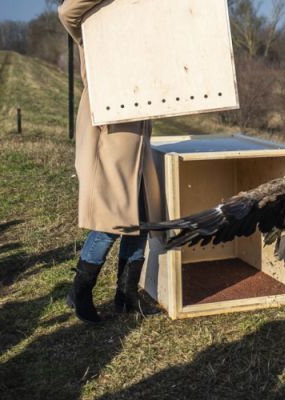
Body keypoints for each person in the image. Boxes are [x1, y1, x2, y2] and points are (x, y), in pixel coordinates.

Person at [58, 0, 164, 324]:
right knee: (110, 222)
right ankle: (79, 292)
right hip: (110, 134)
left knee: (141, 219)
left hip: (138, 133)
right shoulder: (93, 22)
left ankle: (126, 296)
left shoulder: (135, 21)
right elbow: (66, 12)